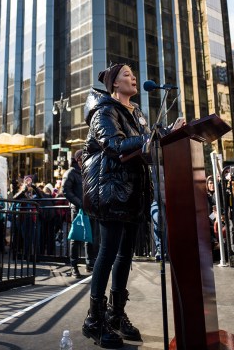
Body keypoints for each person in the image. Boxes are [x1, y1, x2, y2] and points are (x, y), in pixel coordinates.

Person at [81, 63, 154, 348]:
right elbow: (113, 144)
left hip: (133, 192)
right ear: (113, 83)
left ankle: (116, 314)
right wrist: (151, 137)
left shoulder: (137, 113)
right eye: (126, 74)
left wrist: (166, 134)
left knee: (125, 256)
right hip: (110, 190)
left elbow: (145, 145)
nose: (133, 78)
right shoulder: (104, 111)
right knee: (107, 254)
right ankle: (94, 320)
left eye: (133, 74)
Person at [62, 149, 97, 278]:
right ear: (78, 160)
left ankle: (89, 264)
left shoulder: (86, 171)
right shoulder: (71, 172)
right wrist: (80, 203)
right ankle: (74, 267)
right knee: (76, 238)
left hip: (87, 208)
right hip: (77, 209)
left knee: (89, 237)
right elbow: (66, 191)